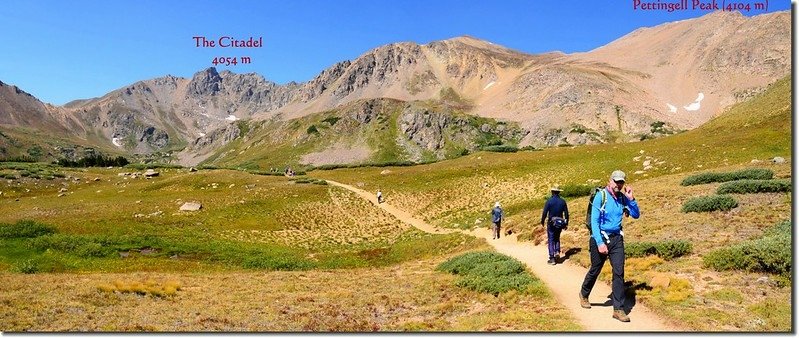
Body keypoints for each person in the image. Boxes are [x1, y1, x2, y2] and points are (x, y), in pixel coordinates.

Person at [579, 170, 640, 323]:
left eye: (621, 182)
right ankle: (584, 293)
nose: (619, 184)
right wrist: (599, 243)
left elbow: (636, 214)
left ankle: (618, 309)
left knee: (619, 272)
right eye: (616, 181)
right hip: (599, 237)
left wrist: (631, 199)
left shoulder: (622, 197)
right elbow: (594, 222)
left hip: (616, 239)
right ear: (610, 180)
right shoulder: (601, 196)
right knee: (596, 269)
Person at [541, 185, 569, 265]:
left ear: (552, 192)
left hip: (551, 223)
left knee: (551, 239)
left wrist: (542, 221)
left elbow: (545, 212)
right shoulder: (563, 201)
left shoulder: (549, 201)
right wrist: (566, 223)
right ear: (559, 192)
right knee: (557, 237)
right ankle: (557, 252)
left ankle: (552, 258)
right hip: (560, 223)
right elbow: (566, 214)